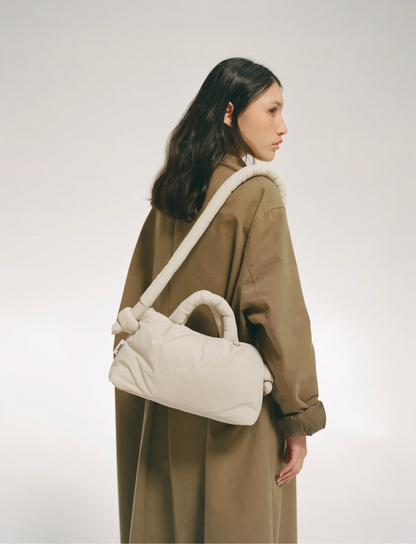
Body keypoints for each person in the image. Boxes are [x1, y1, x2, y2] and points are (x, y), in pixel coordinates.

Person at [112, 57, 326, 544]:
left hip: (164, 401)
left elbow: (137, 295)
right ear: (230, 112)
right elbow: (280, 315)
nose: (283, 127)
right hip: (234, 412)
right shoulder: (256, 196)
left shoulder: (173, 192)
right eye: (271, 110)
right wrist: (298, 417)